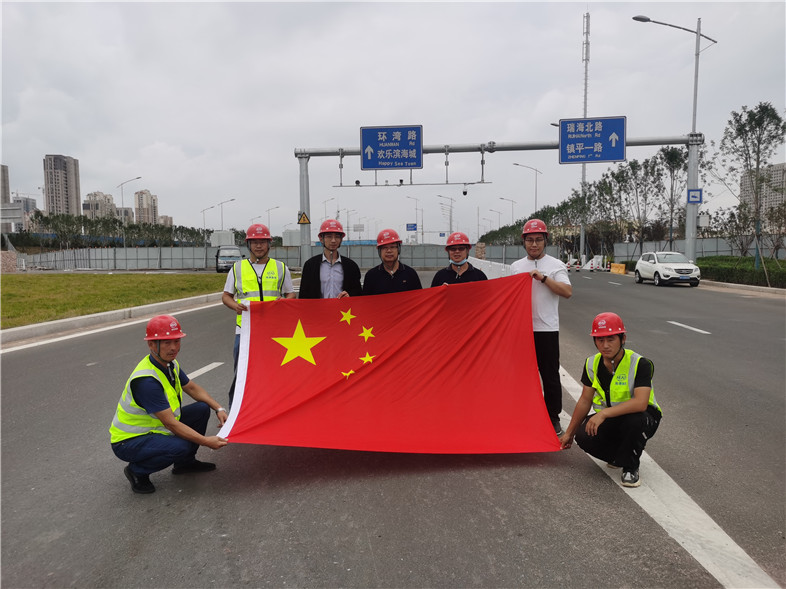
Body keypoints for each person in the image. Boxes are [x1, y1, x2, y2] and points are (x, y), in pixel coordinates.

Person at [110, 315, 229, 494]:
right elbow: (171, 424)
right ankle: (137, 471)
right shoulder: (146, 381)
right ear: (151, 345)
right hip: (129, 441)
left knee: (201, 409)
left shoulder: (169, 364)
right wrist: (206, 442)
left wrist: (218, 408)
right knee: (181, 446)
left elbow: (192, 388)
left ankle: (185, 464)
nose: (173, 347)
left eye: (176, 341)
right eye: (166, 342)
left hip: (155, 428)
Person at [559, 313, 662, 488]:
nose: (605, 345)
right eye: (600, 340)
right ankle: (619, 456)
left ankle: (630, 467)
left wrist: (603, 413)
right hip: (613, 417)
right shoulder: (591, 363)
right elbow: (585, 400)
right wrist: (569, 433)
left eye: (611, 339)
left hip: (643, 416)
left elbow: (641, 403)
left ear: (623, 339)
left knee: (634, 421)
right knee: (584, 435)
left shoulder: (640, 363)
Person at [222, 223, 296, 408]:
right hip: (245, 331)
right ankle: (235, 411)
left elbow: (290, 293)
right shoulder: (237, 268)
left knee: (274, 371)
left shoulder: (281, 268)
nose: (259, 246)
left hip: (274, 331)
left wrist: (284, 302)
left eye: (263, 242)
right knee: (241, 373)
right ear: (248, 244)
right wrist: (235, 306)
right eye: (254, 242)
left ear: (269, 244)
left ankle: (273, 407)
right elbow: (226, 296)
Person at [510, 219, 572, 435]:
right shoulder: (516, 267)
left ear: (545, 241)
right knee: (522, 377)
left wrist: (543, 278)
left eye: (538, 240)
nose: (534, 244)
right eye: (530, 240)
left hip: (546, 330)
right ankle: (524, 414)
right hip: (522, 331)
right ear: (524, 242)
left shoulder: (555, 265)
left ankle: (553, 417)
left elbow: (567, 292)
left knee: (550, 376)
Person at [299, 218, 362, 299]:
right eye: (329, 236)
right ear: (321, 239)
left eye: (337, 237)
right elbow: (303, 295)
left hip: (343, 307)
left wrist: (350, 295)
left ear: (341, 239)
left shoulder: (351, 266)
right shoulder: (310, 265)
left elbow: (358, 292)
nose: (333, 240)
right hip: (318, 307)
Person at [362, 228, 422, 295]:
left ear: (398, 249)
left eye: (392, 247)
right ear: (379, 251)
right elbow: (366, 300)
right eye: (385, 248)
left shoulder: (410, 274)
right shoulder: (371, 276)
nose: (389, 251)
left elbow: (419, 298)